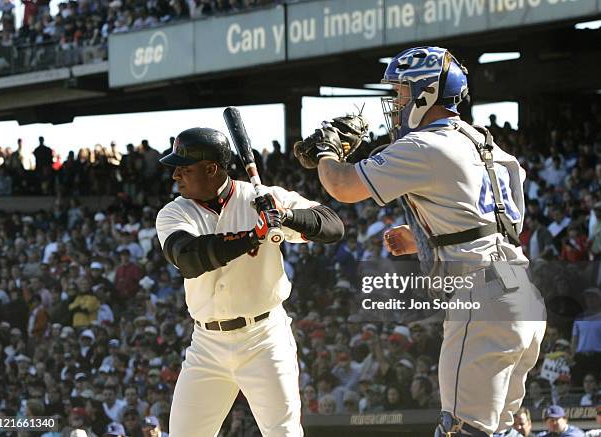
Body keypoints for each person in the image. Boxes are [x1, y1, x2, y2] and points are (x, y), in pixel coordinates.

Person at [294, 46, 546, 436]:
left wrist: (327, 151)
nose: (395, 102)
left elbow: (342, 186)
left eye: (401, 92)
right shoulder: (485, 142)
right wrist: (424, 238)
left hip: (482, 298)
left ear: (426, 92)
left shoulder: (426, 144)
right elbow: (496, 221)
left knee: (460, 429)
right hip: (521, 294)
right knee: (505, 430)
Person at [155, 127, 344, 437]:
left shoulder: (263, 197)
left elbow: (333, 226)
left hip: (264, 338)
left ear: (211, 168)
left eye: (184, 168)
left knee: (283, 433)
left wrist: (286, 217)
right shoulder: (175, 211)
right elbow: (188, 258)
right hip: (207, 345)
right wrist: (254, 235)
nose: (176, 175)